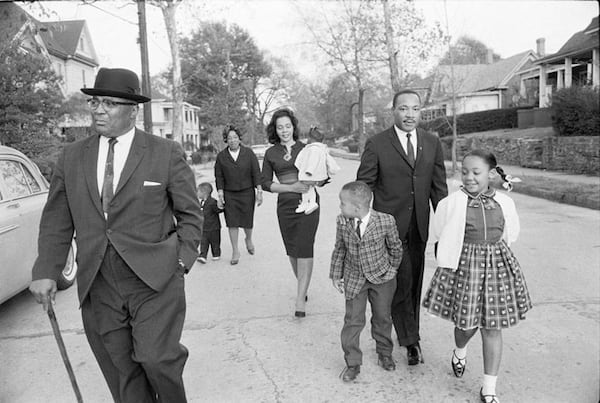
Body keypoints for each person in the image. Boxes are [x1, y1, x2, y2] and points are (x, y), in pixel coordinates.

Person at [28, 68, 202, 402]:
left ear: (132, 110)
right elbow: (57, 221)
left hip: (154, 279)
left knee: (157, 359)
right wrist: (46, 270)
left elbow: (191, 214)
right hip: (99, 281)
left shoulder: (164, 152)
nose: (98, 110)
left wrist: (181, 260)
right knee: (121, 372)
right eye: (95, 102)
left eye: (109, 103)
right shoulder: (72, 157)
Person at [422, 150, 532, 403]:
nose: (469, 177)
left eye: (476, 172)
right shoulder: (450, 204)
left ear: (491, 174)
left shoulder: (505, 202)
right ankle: (460, 350)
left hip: (496, 266)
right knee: (466, 326)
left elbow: (511, 232)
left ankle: (489, 389)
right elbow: (440, 231)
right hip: (464, 267)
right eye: (465, 172)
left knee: (492, 327)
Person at [356, 89, 448, 365]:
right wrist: (363, 224)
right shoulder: (377, 144)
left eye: (415, 109)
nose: (410, 114)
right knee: (401, 282)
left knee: (413, 283)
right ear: (393, 111)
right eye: (404, 109)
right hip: (389, 230)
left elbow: (439, 190)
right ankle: (411, 341)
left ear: (421, 111)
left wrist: (446, 229)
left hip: (419, 226)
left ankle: (407, 333)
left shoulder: (432, 143)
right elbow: (364, 186)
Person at [330, 181, 403, 382]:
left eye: (342, 203)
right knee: (352, 321)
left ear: (357, 207)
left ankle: (385, 353)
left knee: (382, 317)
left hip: (382, 278)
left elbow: (395, 248)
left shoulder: (385, 221)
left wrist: (392, 269)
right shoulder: (342, 221)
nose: (340, 207)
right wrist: (336, 275)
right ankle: (352, 363)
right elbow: (340, 249)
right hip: (355, 279)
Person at [261, 108, 318, 317]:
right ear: (275, 130)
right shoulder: (271, 153)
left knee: (304, 247)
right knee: (293, 250)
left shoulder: (307, 148)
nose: (284, 130)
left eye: (287, 126)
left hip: (308, 203)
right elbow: (265, 183)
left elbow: (322, 175)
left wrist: (317, 179)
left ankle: (299, 300)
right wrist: (290, 188)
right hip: (285, 205)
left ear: (293, 127)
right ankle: (302, 285)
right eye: (280, 127)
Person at [214, 125, 263, 265]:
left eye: (235, 137)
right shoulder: (221, 156)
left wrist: (259, 191)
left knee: (247, 221)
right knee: (232, 223)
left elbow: (256, 173)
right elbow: (219, 176)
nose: (232, 140)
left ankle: (248, 239)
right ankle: (235, 251)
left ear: (239, 138)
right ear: (226, 140)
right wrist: (220, 194)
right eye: (229, 138)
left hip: (247, 192)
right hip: (230, 194)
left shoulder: (248, 153)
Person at [294, 126, 340, 214]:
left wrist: (309, 170)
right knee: (309, 188)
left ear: (312, 138)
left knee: (307, 188)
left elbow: (312, 161)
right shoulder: (319, 149)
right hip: (315, 175)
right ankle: (306, 203)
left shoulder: (314, 149)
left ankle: (310, 202)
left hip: (311, 174)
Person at [197, 182, 223, 264]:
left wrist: (221, 205)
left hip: (214, 227)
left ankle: (216, 254)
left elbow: (218, 210)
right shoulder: (201, 202)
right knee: (204, 242)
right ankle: (202, 256)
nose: (197, 193)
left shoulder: (212, 202)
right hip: (204, 227)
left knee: (215, 241)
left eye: (198, 191)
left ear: (204, 192)